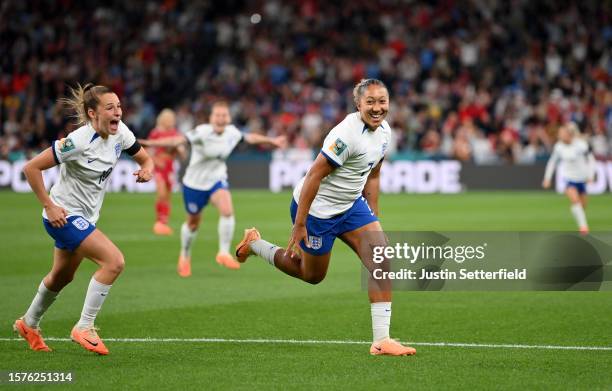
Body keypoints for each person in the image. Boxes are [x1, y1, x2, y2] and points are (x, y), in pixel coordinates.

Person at [235, 79, 416, 356]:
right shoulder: (346, 136)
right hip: (317, 212)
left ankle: (382, 341)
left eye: (382, 101)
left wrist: (373, 217)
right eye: (370, 102)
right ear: (358, 105)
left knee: (381, 256)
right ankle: (255, 245)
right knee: (311, 275)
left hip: (351, 206)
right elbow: (314, 175)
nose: (377, 108)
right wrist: (300, 224)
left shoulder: (384, 132)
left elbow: (374, 173)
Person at [14, 83, 153, 355]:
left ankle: (28, 323)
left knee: (62, 276)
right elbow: (31, 167)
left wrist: (147, 170)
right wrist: (49, 205)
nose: (118, 112)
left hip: (87, 218)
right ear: (92, 113)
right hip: (63, 216)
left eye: (119, 107)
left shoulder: (121, 132)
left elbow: (145, 160)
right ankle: (85, 326)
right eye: (110, 107)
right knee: (114, 262)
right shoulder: (77, 141)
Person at [139, 101, 286, 276]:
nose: (221, 119)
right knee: (193, 223)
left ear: (228, 118)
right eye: (217, 115)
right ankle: (184, 255)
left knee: (227, 210)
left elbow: (251, 138)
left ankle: (223, 253)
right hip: (194, 183)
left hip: (217, 179)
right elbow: (177, 140)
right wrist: (150, 143)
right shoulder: (202, 132)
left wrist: (272, 140)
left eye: (224, 115)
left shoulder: (232, 132)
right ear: (211, 118)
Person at [542, 122, 596, 234]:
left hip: (582, 179)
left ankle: (577, 213)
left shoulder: (581, 145)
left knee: (582, 206)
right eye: (559, 134)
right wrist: (547, 178)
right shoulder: (559, 147)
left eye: (562, 133)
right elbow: (552, 162)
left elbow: (591, 159)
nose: (559, 136)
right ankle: (584, 227)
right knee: (576, 201)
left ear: (569, 134)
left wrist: (590, 175)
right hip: (569, 179)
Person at [147, 108, 185, 236]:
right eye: (168, 119)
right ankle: (159, 222)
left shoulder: (176, 134)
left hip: (170, 167)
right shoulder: (155, 133)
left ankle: (163, 222)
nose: (171, 121)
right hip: (159, 167)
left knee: (168, 195)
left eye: (172, 119)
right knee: (161, 193)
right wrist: (156, 161)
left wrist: (180, 149)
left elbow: (184, 154)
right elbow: (148, 152)